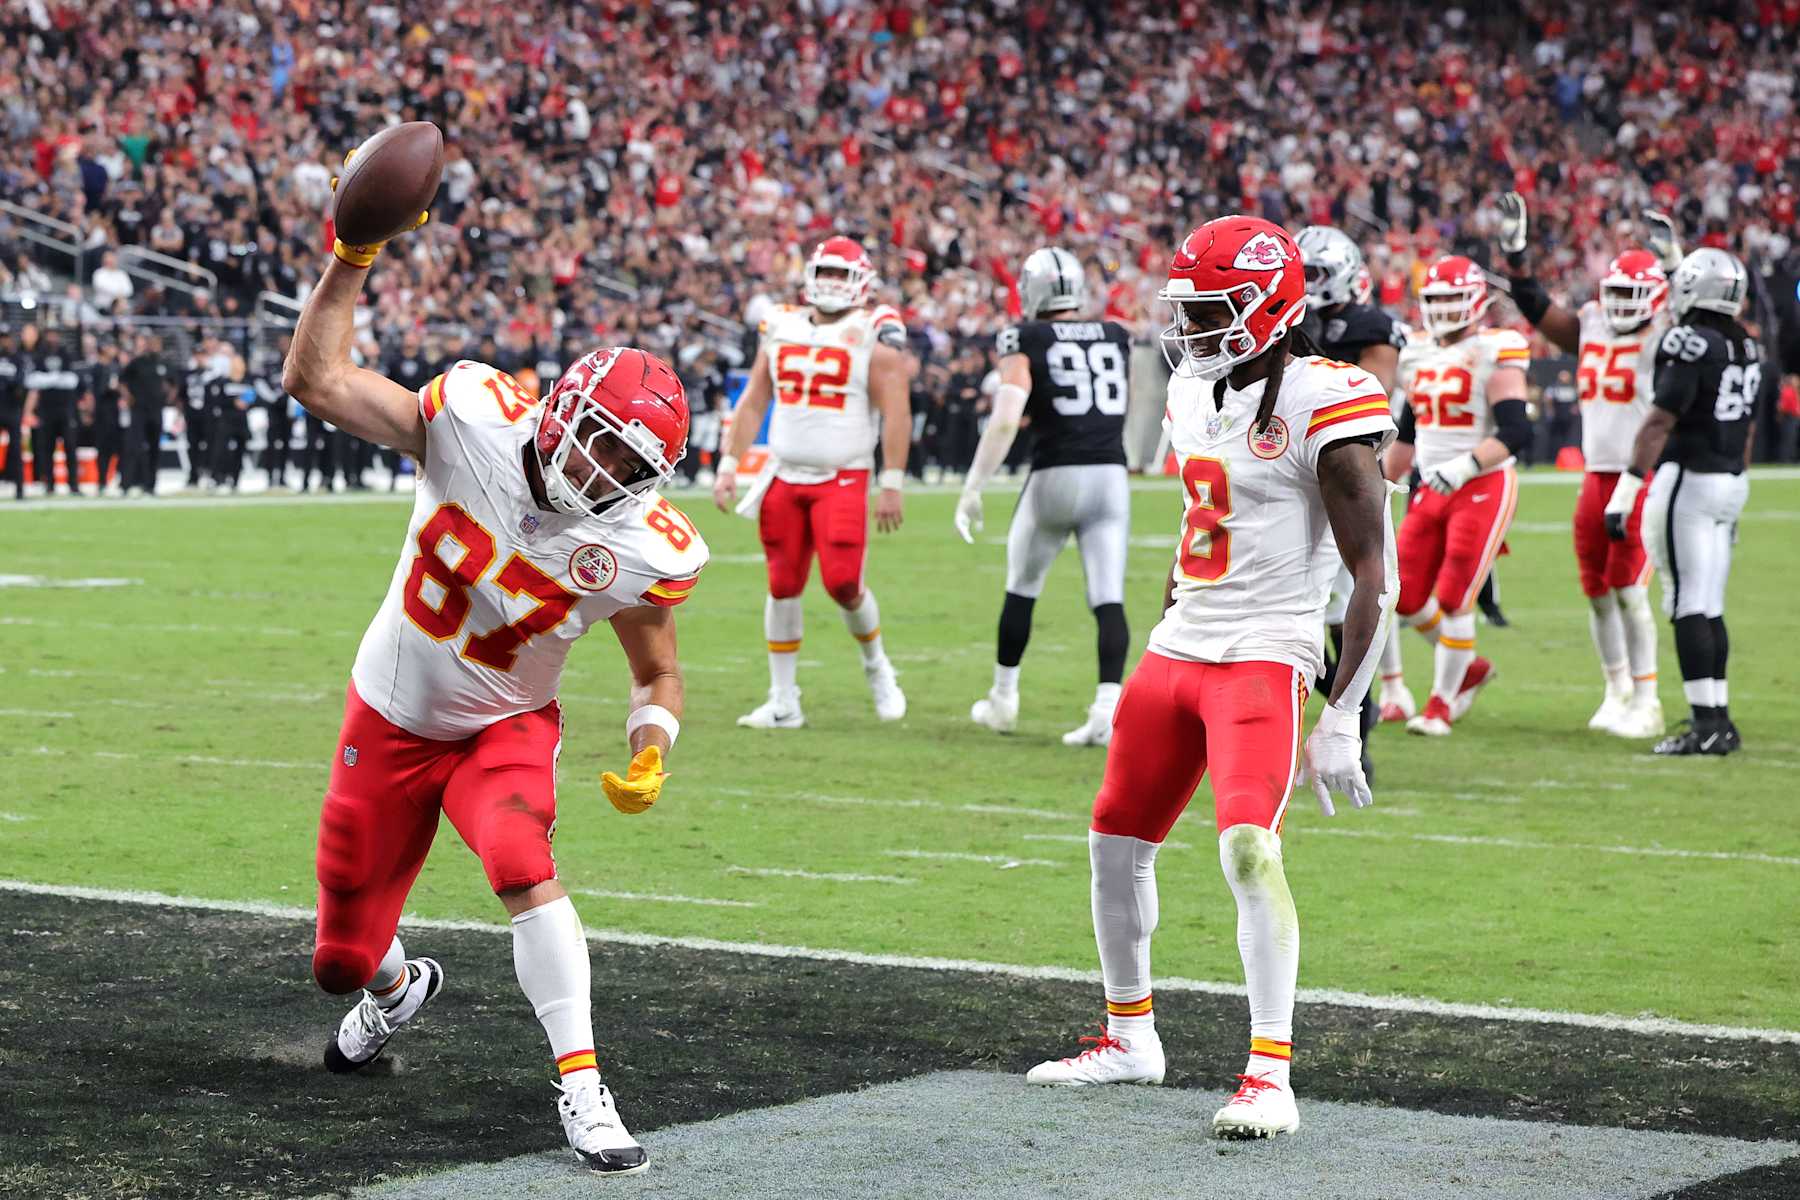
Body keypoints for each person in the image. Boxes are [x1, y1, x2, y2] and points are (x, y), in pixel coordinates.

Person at [284, 203, 706, 1174]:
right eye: (597, 439)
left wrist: (654, 747)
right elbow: (315, 379)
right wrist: (352, 256)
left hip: (503, 730)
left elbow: (659, 670)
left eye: (626, 464)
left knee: (520, 858)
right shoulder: (469, 417)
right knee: (339, 961)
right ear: (561, 408)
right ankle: (396, 991)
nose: (599, 471)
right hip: (389, 718)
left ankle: (587, 1087)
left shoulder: (640, 546)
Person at [1025, 217, 1394, 1141]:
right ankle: (1129, 1038)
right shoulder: (1194, 391)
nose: (1190, 326)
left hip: (1265, 652)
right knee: (1114, 841)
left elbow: (1373, 579)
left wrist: (1343, 712)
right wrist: (1161, 624)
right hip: (1181, 641)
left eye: (1211, 309)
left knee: (1247, 851)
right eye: (1186, 308)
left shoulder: (1328, 398)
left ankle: (1270, 1072)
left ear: (1270, 308)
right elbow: (1200, 527)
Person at [1496, 192, 1676, 738]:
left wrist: (1674, 260)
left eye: (1632, 294)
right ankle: (1616, 688)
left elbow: (1695, 307)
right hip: (1594, 475)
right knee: (1596, 590)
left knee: (1627, 589)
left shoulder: (1668, 330)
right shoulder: (1594, 321)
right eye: (1615, 292)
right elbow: (1538, 310)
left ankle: (1648, 698)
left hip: (1638, 475)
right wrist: (1516, 255)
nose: (1620, 304)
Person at [712, 236, 912, 728]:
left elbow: (896, 409)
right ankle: (783, 701)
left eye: (841, 275)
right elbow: (755, 399)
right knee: (782, 585)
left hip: (843, 475)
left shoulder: (872, 330)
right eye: (823, 272)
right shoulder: (781, 324)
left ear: (861, 281)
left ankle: (877, 667)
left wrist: (891, 481)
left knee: (844, 583)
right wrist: (729, 463)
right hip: (782, 472)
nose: (829, 284)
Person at [955, 246, 1134, 746]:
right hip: (1110, 474)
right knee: (1108, 595)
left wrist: (973, 487)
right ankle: (1106, 708)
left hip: (1056, 472)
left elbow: (1008, 416)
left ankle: (1004, 699)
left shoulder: (1025, 336)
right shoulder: (1115, 333)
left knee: (1022, 586)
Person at [1604, 249, 1758, 756]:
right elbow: (1749, 427)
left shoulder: (1690, 343)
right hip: (1731, 480)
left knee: (1686, 602)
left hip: (1690, 482)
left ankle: (1704, 723)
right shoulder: (1745, 346)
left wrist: (1625, 491)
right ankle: (1718, 717)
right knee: (1709, 603)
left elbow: (1658, 420)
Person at [1377, 256, 1531, 737]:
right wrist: (1381, 482)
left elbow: (1516, 430)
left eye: (1452, 299)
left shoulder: (1495, 348)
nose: (1443, 309)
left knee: (1455, 594)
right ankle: (1468, 667)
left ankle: (1441, 704)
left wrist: (1466, 466)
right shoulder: (1417, 353)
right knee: (1402, 595)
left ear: (1476, 301)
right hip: (1431, 482)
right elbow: (1407, 429)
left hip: (1481, 481)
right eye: (1436, 299)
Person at [1296, 225, 1407, 777]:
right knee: (1295, 623)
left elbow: (1371, 395)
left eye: (1315, 273)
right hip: (1293, 482)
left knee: (1349, 617)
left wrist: (1308, 343)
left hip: (1352, 487)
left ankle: (1355, 742)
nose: (1306, 285)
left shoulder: (1370, 325)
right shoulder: (1287, 320)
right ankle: (1349, 712)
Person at [22, 327, 84, 498]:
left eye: (55, 334)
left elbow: (72, 381)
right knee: (46, 449)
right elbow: (33, 382)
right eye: (49, 334)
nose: (52, 337)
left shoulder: (66, 354)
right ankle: (49, 484)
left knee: (70, 448)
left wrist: (47, 379)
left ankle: (74, 485)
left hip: (66, 410)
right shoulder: (39, 355)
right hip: (46, 411)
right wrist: (57, 378)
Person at [0, 329, 23, 501]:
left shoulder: (17, 359)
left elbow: (20, 384)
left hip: (12, 410)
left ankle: (19, 489)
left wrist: (9, 383)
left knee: (16, 450)